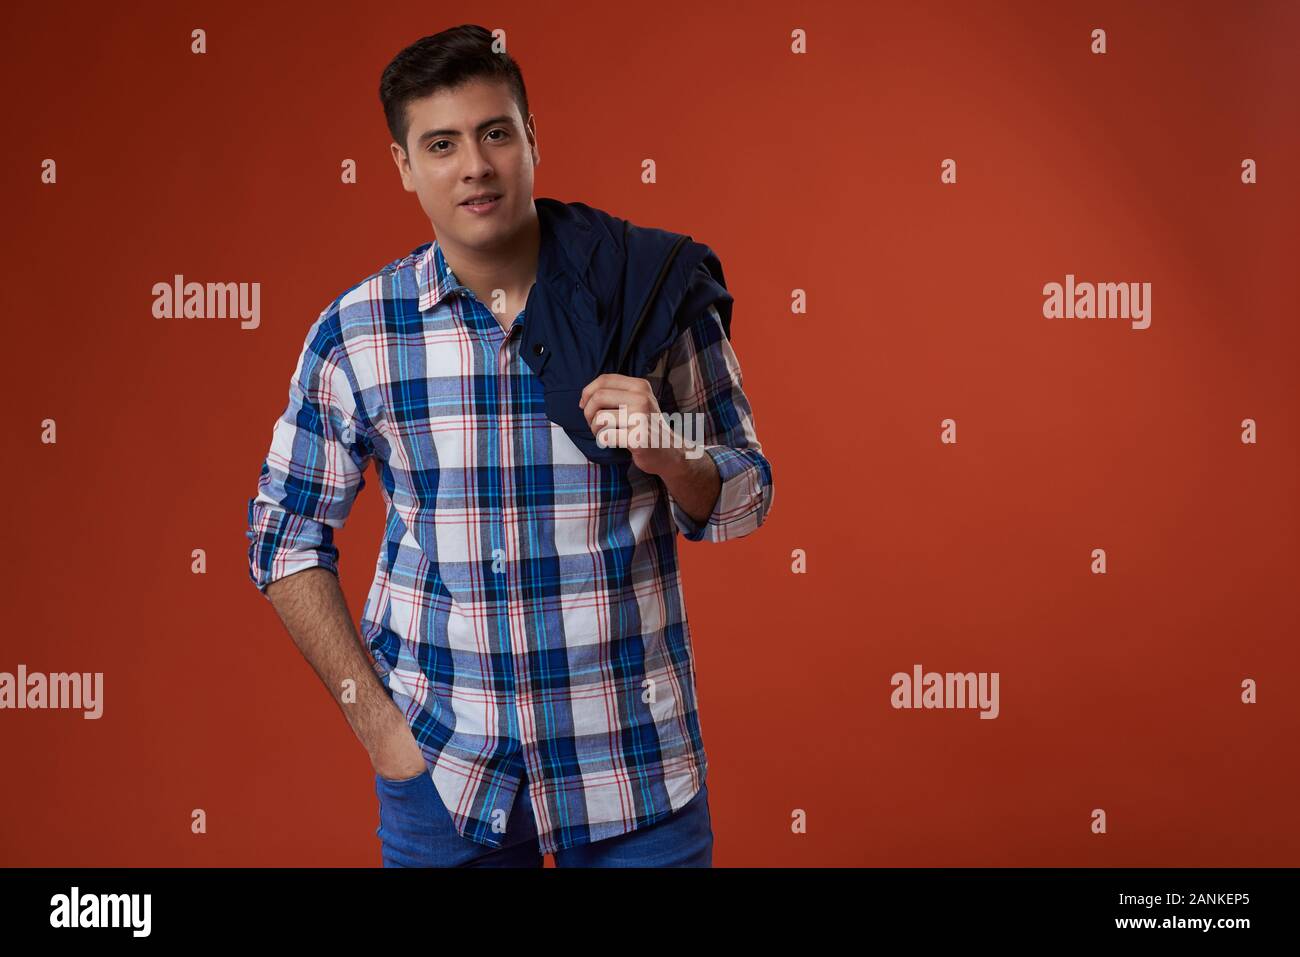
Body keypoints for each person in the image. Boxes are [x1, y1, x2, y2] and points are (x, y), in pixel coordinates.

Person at [245, 24, 775, 867]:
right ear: (403, 165)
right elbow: (282, 534)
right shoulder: (358, 334)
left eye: (495, 133)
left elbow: (746, 490)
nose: (475, 166)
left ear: (533, 138)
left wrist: (670, 448)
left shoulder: (646, 288)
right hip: (447, 774)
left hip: (632, 763)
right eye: (442, 144)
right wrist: (380, 728)